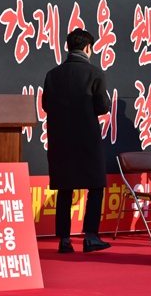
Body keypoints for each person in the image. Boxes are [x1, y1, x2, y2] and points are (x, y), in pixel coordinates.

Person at [42, 28, 112, 253]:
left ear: (67, 47)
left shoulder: (53, 74)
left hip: (60, 140)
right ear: (88, 48)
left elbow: (45, 106)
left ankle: (64, 240)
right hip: (87, 140)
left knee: (64, 189)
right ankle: (91, 236)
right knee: (96, 186)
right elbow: (102, 106)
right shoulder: (94, 73)